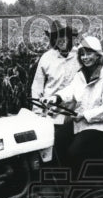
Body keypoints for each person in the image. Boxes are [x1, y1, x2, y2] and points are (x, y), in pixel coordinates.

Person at [44, 35, 103, 173]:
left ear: (98, 55)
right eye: (82, 54)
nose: (85, 57)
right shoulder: (81, 74)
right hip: (83, 120)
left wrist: (85, 115)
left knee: (75, 151)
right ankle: (65, 179)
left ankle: (86, 182)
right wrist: (56, 98)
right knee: (57, 140)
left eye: (89, 53)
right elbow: (72, 89)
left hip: (102, 124)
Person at [31, 21, 80, 164]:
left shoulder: (80, 55)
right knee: (52, 144)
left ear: (70, 36)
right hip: (52, 111)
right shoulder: (46, 58)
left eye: (64, 36)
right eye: (56, 37)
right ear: (53, 40)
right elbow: (37, 86)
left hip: (74, 109)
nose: (61, 40)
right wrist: (37, 112)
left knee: (71, 144)